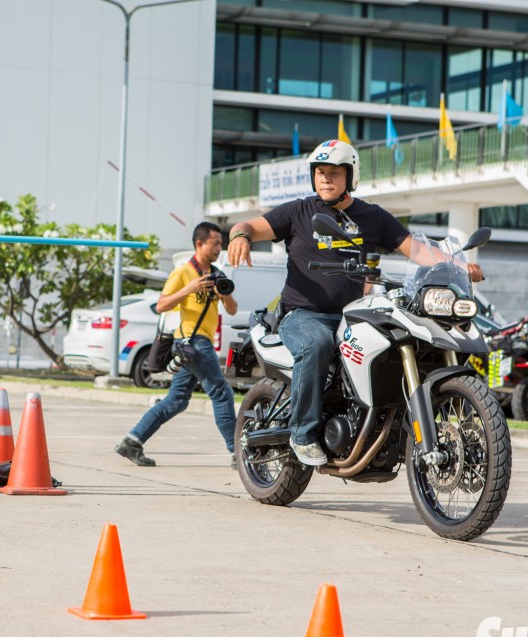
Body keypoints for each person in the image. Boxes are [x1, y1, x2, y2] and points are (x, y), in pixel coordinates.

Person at [226, 139, 484, 467]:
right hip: (304, 314)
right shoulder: (299, 211)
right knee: (316, 344)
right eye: (319, 173)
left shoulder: (372, 217)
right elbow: (248, 225)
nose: (325, 179)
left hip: (353, 313)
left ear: (351, 175)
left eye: (333, 173)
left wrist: (458, 265)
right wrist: (239, 236)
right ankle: (302, 433)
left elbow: (416, 250)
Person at [115, 222, 239, 467]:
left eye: (220, 244)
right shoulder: (183, 273)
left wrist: (223, 292)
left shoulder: (216, 274)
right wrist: (189, 289)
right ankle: (239, 453)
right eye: (215, 243)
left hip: (195, 344)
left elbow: (233, 310)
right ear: (199, 244)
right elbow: (161, 305)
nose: (219, 249)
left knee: (177, 400)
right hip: (192, 341)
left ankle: (132, 441)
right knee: (222, 393)